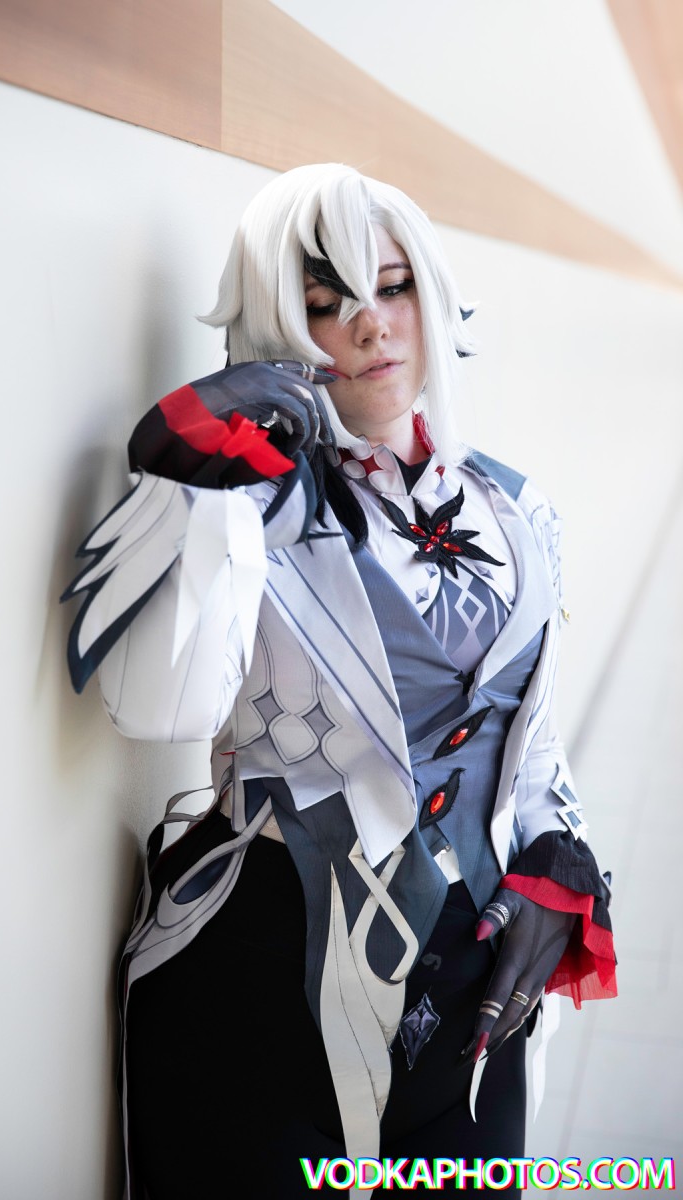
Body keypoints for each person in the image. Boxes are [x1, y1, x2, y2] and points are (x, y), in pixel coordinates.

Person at [63, 163, 616, 1198]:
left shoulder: (515, 508)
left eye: (393, 287)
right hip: (262, 967)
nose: (371, 326)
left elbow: (528, 740)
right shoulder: (253, 506)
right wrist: (192, 488)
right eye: (326, 304)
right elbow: (159, 710)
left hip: (470, 982)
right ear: (279, 326)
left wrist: (562, 859)